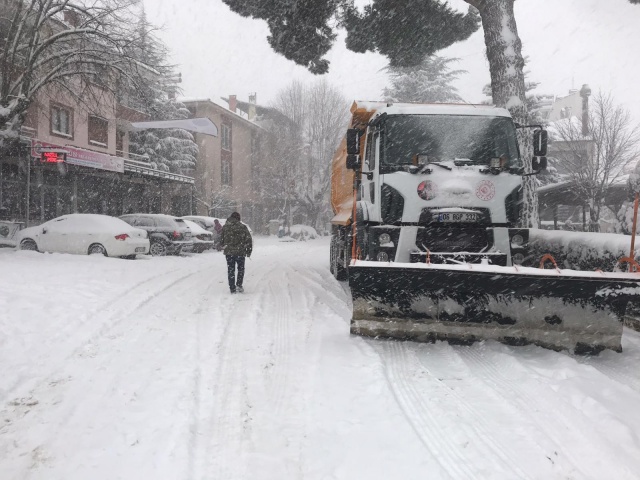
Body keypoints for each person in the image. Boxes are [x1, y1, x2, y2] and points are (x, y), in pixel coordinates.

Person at [220, 212, 252, 294]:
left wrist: (224, 246)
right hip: (240, 252)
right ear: (238, 218)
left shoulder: (225, 227)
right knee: (240, 269)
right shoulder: (242, 227)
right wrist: (248, 251)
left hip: (229, 252)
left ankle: (232, 288)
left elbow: (221, 240)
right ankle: (239, 285)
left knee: (231, 269)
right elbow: (248, 240)